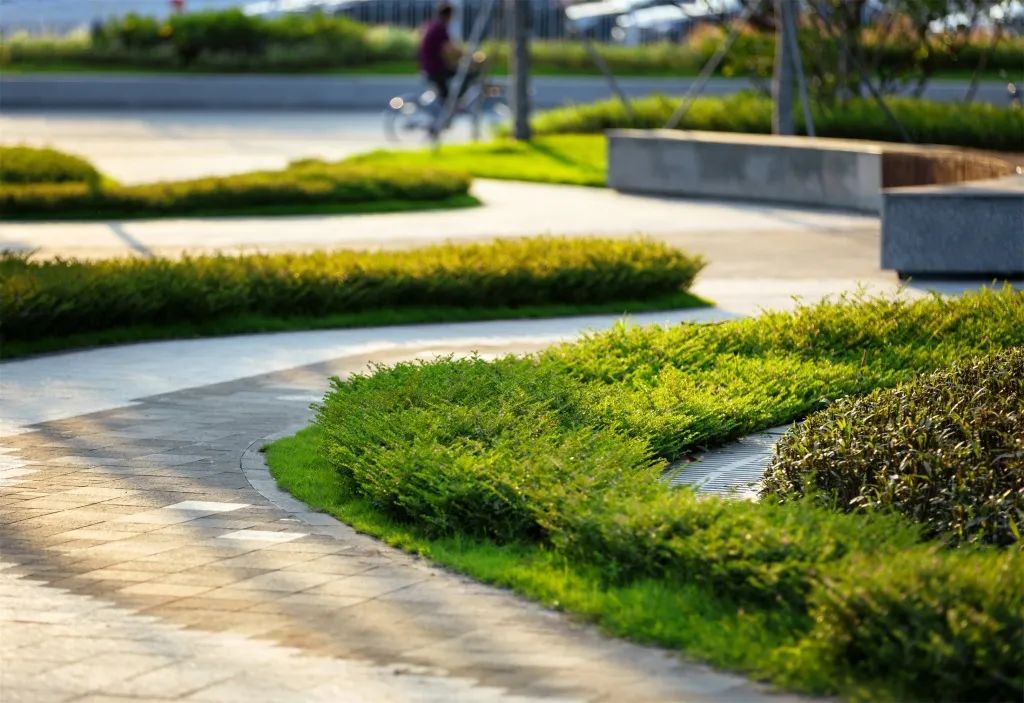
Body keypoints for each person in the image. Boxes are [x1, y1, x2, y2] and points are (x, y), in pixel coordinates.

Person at [418, 2, 462, 101]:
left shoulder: (430, 25)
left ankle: (453, 101)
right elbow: (450, 48)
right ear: (449, 15)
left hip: (427, 66)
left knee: (445, 90)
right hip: (435, 67)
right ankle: (457, 100)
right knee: (465, 73)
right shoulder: (440, 28)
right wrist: (467, 55)